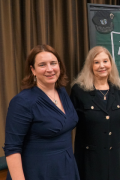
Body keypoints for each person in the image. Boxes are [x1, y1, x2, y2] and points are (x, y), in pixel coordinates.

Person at [3, 44, 79, 180]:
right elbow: (12, 149)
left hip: (66, 169)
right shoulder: (22, 102)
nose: (49, 69)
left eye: (53, 63)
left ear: (60, 66)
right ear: (33, 70)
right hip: (37, 172)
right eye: (42, 65)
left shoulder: (62, 92)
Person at [70, 46, 120, 180]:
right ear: (90, 66)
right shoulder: (79, 91)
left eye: (105, 61)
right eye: (96, 62)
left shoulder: (118, 89)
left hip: (114, 155)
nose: (102, 66)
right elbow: (68, 123)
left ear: (111, 64)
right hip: (90, 157)